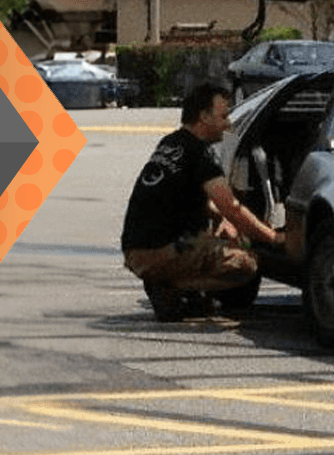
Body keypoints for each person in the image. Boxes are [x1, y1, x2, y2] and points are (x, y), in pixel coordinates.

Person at [120, 83, 286, 321]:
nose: (228, 123)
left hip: (135, 250)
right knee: (247, 263)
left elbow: (191, 200)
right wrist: (274, 238)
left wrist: (220, 219)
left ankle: (169, 285)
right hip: (163, 253)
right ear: (203, 116)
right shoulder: (200, 155)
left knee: (217, 238)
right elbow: (232, 207)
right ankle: (172, 289)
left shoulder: (171, 143)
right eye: (223, 116)